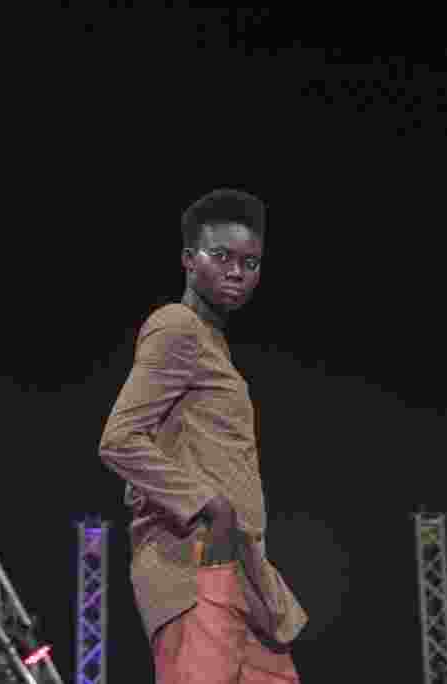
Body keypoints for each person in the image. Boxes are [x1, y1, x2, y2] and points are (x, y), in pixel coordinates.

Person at [98, 188, 307, 683]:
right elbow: (120, 438)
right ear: (190, 261)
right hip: (193, 565)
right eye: (222, 257)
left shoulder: (213, 344)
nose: (237, 271)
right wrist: (208, 505)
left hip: (243, 571)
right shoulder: (177, 326)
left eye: (251, 262)